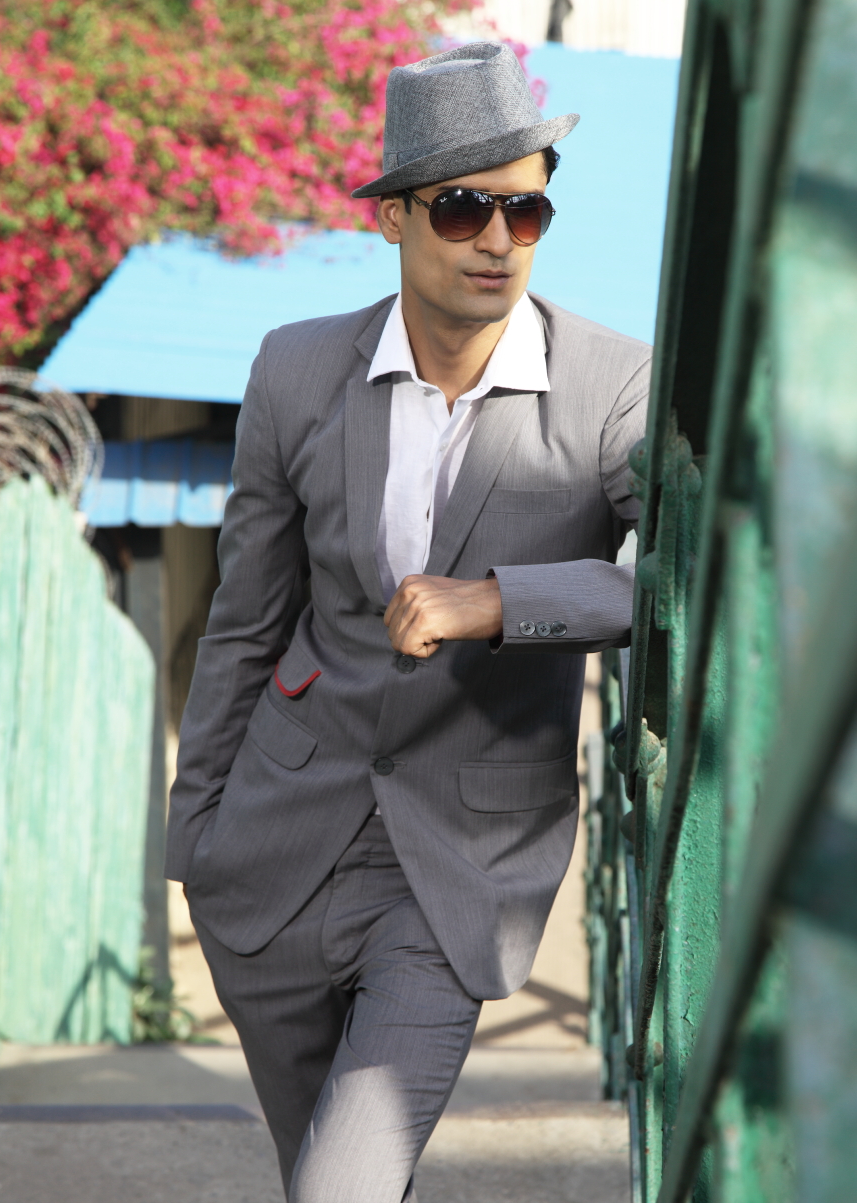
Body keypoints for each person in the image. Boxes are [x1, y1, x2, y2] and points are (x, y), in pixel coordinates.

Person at [165, 40, 649, 1203]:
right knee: (335, 1183)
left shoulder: (613, 387)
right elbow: (245, 619)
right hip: (273, 850)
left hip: (459, 865)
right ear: (393, 217)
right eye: (465, 208)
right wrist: (195, 844)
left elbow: (692, 583)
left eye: (526, 212)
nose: (498, 240)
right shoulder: (295, 370)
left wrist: (502, 602)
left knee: (343, 1186)